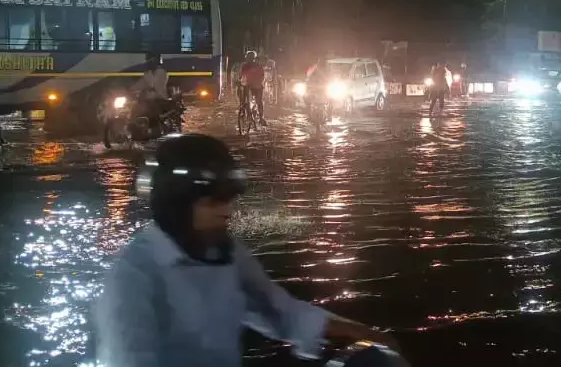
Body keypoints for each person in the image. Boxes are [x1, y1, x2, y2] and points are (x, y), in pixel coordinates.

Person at [94, 134, 397, 367]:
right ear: (176, 203)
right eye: (214, 200)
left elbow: (280, 311)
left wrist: (366, 335)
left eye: (229, 198)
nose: (228, 210)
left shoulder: (226, 254)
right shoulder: (133, 278)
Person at [133, 53, 170, 131]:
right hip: (148, 99)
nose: (150, 63)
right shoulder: (147, 73)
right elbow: (141, 83)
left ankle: (155, 129)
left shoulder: (162, 72)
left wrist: (151, 89)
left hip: (159, 98)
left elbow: (159, 85)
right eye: (149, 61)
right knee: (136, 108)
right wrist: (130, 90)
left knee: (152, 110)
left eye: (152, 61)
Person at [239, 51, 267, 126]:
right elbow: (241, 76)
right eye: (248, 58)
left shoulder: (258, 66)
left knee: (259, 101)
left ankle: (261, 118)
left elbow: (262, 76)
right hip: (247, 85)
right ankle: (245, 113)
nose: (249, 59)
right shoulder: (244, 66)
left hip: (257, 86)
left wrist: (258, 83)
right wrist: (239, 82)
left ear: (254, 59)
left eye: (251, 58)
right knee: (243, 99)